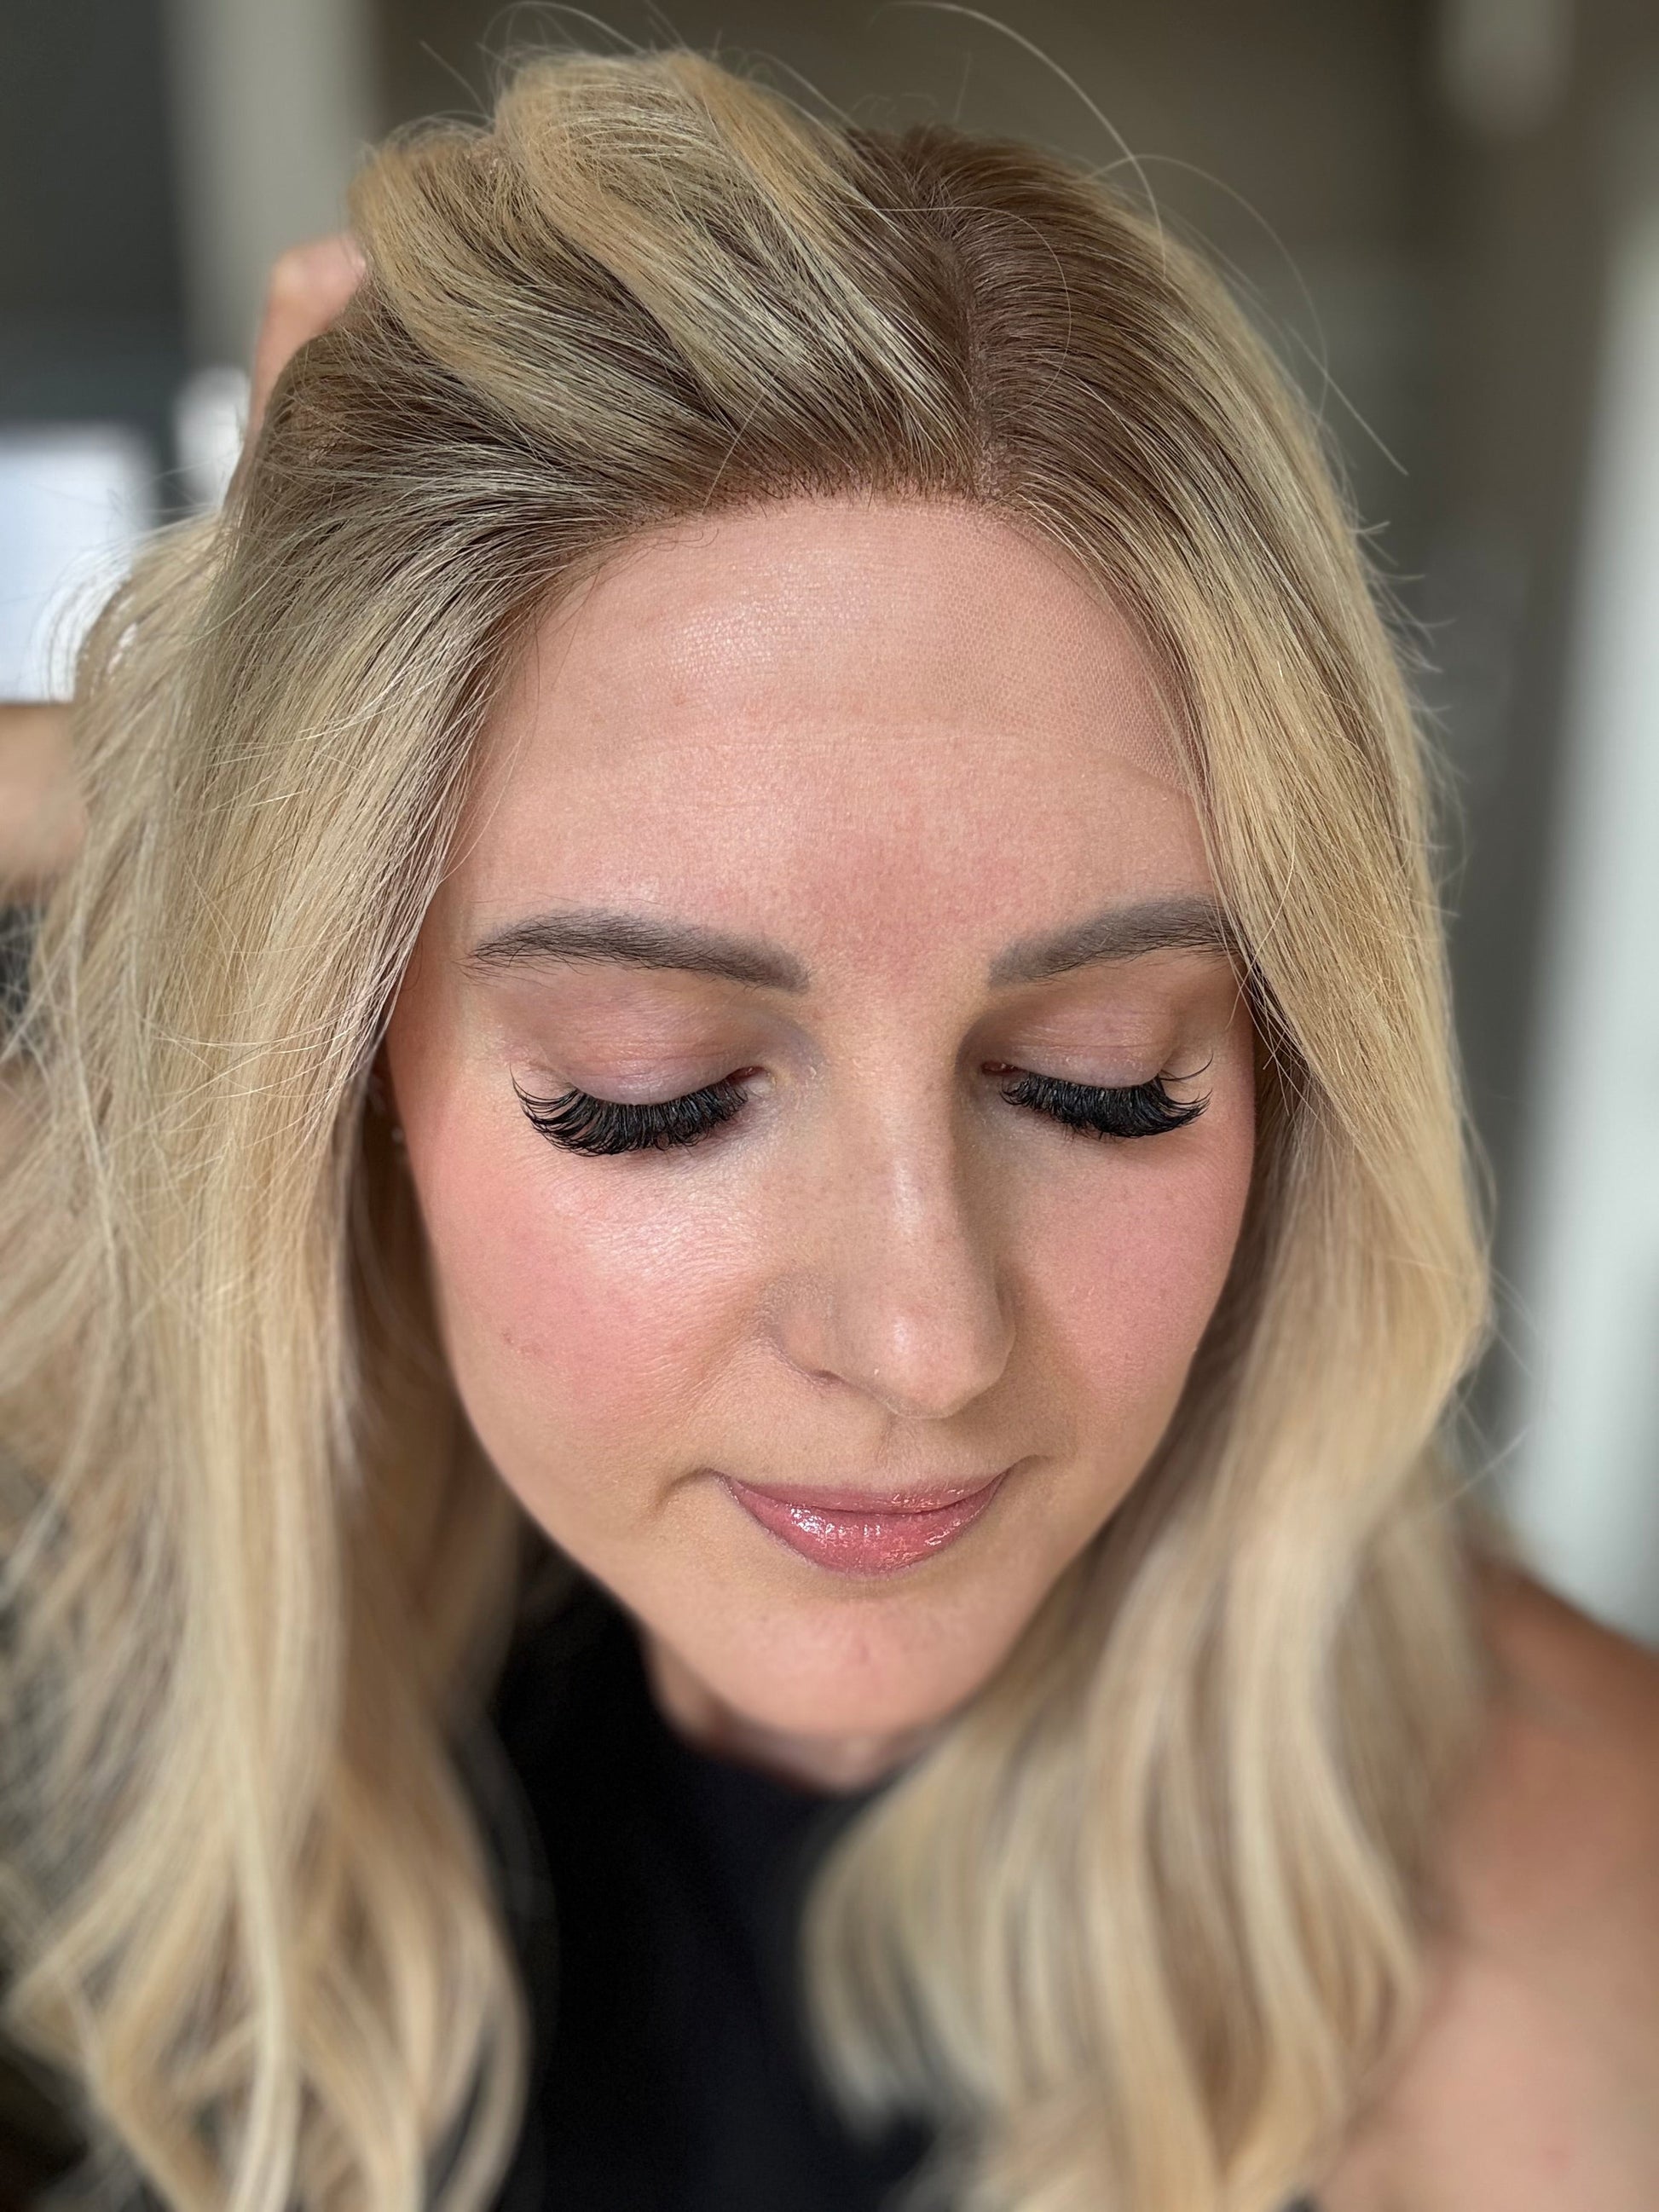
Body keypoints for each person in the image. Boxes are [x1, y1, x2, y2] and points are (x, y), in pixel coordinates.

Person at [0, 44, 1656, 2212]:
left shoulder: (1550, 1907)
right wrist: (213, 740)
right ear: (347, 1054)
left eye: (1104, 1076)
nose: (923, 1337)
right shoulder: (132, 1546)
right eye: (653, 1090)